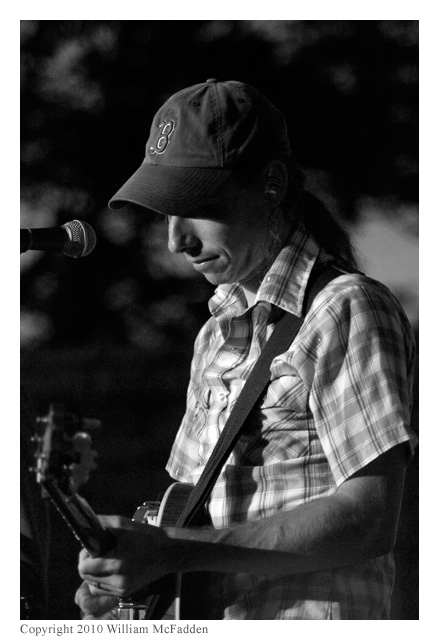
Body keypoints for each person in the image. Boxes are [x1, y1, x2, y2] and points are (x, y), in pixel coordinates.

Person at [75, 79, 417, 620]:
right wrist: (133, 587)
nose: (176, 240)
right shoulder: (213, 334)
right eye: (166, 214)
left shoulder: (346, 307)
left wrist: (173, 552)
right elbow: (188, 512)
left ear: (271, 184)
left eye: (195, 206)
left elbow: (371, 518)